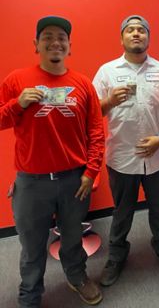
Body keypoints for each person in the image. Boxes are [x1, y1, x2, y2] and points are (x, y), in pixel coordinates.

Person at [0, 16, 105, 307]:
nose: (55, 42)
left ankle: (77, 277)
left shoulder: (83, 84)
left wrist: (91, 171)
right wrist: (17, 104)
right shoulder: (16, 81)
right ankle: (30, 294)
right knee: (32, 246)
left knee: (73, 237)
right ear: (36, 44)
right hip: (31, 183)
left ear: (69, 46)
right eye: (47, 36)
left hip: (74, 180)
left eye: (61, 37)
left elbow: (96, 132)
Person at [92, 15, 159, 286]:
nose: (136, 34)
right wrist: (109, 100)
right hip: (122, 157)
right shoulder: (106, 71)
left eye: (141, 30)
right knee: (122, 211)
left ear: (148, 37)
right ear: (121, 38)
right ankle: (116, 257)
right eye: (130, 30)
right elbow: (93, 113)